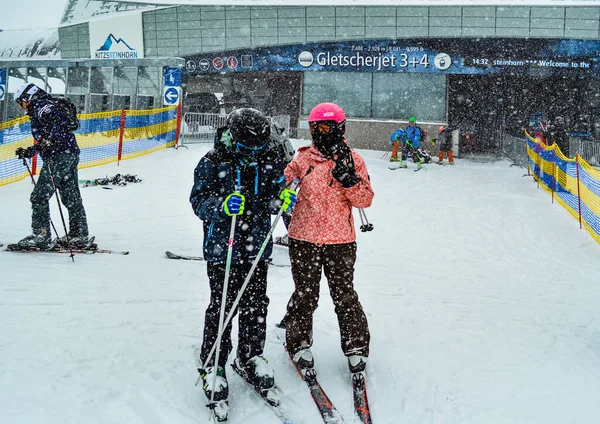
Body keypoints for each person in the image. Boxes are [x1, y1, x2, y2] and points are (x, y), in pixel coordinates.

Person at [189, 107, 296, 414]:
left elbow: (276, 193)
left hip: (257, 245)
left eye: (259, 147)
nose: (254, 153)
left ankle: (250, 355)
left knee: (256, 303)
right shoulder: (213, 161)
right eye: (248, 147)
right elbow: (198, 200)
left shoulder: (269, 158)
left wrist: (282, 200)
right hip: (224, 246)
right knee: (223, 305)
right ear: (234, 137)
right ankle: (213, 362)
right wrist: (221, 204)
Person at [282, 102, 374, 375]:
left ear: (339, 128)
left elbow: (365, 200)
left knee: (344, 294)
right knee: (305, 293)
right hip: (304, 237)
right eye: (315, 128)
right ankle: (298, 340)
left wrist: (349, 181)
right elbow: (284, 186)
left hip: (340, 241)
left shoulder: (353, 160)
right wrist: (284, 192)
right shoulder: (303, 159)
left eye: (325, 127)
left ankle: (356, 346)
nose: (320, 133)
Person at [13, 83, 91, 249]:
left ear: (28, 97)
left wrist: (49, 142)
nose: (21, 106)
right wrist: (31, 151)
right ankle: (79, 234)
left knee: (39, 196)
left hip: (58, 157)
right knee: (71, 196)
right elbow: (49, 137)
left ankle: (41, 236)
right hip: (69, 153)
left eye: (20, 102)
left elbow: (58, 123)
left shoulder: (42, 106)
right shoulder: (43, 106)